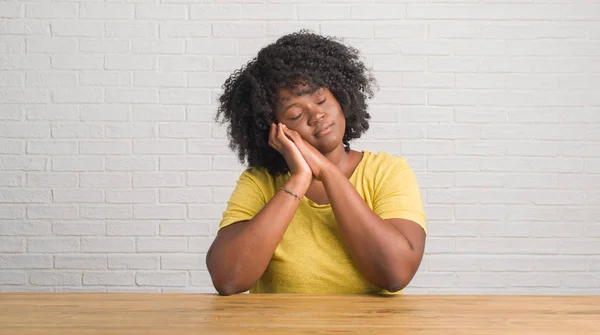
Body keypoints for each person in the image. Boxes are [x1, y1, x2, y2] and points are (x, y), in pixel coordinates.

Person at [205, 30, 427, 296]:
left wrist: (327, 172)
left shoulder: (387, 171)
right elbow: (229, 279)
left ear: (340, 96)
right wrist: (299, 179)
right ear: (275, 130)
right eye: (296, 114)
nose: (317, 114)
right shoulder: (260, 183)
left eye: (321, 99)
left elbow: (395, 273)